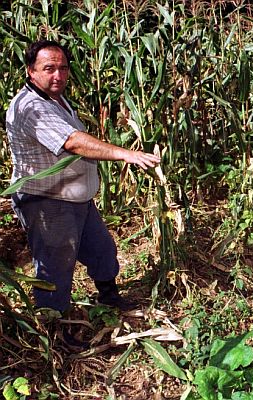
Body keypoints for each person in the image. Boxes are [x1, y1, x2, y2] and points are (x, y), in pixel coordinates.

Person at [6, 40, 160, 316]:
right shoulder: (31, 107)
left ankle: (109, 298)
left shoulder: (54, 98)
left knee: (101, 249)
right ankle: (54, 326)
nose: (58, 76)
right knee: (55, 265)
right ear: (31, 71)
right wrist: (125, 153)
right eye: (49, 68)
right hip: (48, 200)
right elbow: (73, 142)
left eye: (63, 68)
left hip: (76, 198)